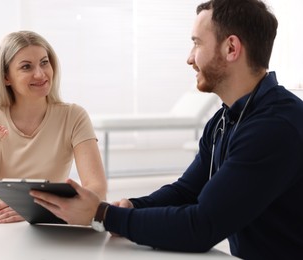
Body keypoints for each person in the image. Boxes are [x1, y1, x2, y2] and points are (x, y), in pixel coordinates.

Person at [29, 0, 303, 259]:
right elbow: (187, 191)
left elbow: (201, 226)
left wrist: (102, 215)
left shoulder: (276, 126)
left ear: (231, 48)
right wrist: (129, 207)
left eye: (196, 44)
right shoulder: (225, 119)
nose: (189, 58)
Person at [0, 30, 107, 223]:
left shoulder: (74, 116)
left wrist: (33, 209)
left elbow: (97, 190)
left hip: (49, 218)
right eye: (26, 67)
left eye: (44, 62)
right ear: (6, 77)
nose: (40, 74)